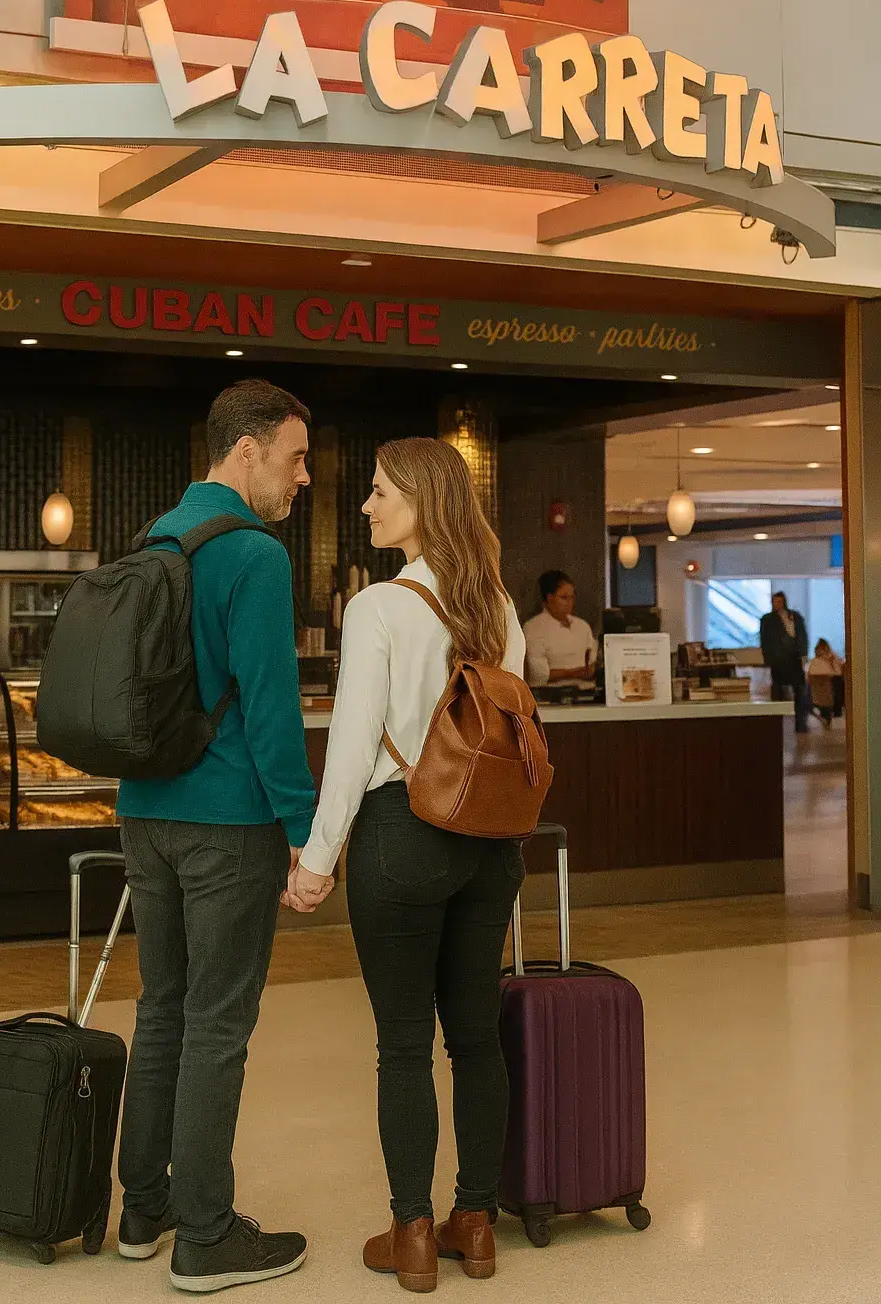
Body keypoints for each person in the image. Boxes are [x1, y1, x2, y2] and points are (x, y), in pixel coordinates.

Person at [289, 438, 527, 1291]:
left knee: (401, 1046)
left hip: (402, 836)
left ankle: (413, 1234)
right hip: (491, 846)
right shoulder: (498, 607)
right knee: (474, 1038)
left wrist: (316, 861)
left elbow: (352, 749)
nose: (366, 505)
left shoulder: (379, 608)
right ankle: (478, 1221)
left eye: (381, 490)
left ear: (423, 500)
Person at [116, 378, 324, 1295]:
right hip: (226, 822)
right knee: (217, 1026)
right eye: (295, 457)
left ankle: (142, 1208)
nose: (304, 477)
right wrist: (306, 832)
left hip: (144, 813)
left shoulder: (154, 538)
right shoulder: (255, 556)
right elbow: (273, 710)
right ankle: (204, 1237)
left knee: (162, 1008)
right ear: (246, 451)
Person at [522, 569, 597, 688]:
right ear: (550, 598)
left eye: (572, 597)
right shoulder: (534, 627)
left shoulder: (582, 625)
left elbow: (593, 662)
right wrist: (574, 673)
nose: (569, 602)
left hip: (587, 692)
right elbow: (538, 674)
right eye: (564, 597)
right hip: (551, 695)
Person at [759, 591, 810, 734]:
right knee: (778, 693)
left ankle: (801, 724)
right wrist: (769, 659)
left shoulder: (795, 616)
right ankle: (776, 725)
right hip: (778, 661)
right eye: (775, 602)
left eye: (779, 602)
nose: (777, 604)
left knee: (800, 692)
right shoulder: (768, 620)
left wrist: (803, 654)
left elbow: (803, 636)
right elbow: (765, 641)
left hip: (795, 659)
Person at [807, 637, 845, 727]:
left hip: (826, 691)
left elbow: (837, 673)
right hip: (822, 692)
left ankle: (829, 716)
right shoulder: (817, 661)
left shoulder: (831, 659)